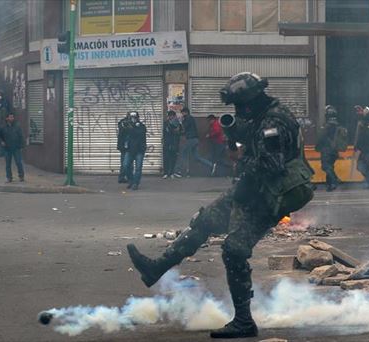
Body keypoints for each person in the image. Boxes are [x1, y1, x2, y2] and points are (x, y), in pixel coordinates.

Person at [127, 72, 314, 339]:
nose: (238, 111)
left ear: (250, 101)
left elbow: (271, 166)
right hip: (250, 191)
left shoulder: (273, 123)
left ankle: (244, 321)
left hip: (270, 197)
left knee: (234, 249)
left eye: (240, 105)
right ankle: (156, 267)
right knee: (204, 221)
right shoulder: (261, 116)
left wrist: (240, 157)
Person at [176, 107, 213, 177]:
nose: (182, 114)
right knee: (196, 157)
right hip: (194, 139)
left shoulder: (188, 118)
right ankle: (211, 165)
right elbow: (184, 130)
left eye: (182, 112)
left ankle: (179, 171)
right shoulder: (189, 119)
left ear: (186, 112)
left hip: (191, 139)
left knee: (183, 153)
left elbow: (185, 127)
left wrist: (180, 122)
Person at [316, 105, 344, 192]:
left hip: (326, 150)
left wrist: (317, 147)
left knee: (325, 166)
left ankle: (335, 180)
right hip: (335, 150)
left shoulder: (327, 126)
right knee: (330, 166)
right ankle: (330, 185)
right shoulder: (338, 125)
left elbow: (321, 137)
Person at [354, 106, 369, 189]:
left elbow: (366, 136)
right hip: (364, 148)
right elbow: (360, 136)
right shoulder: (363, 122)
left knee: (365, 165)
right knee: (360, 166)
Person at [122, 111, 147, 191]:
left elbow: (139, 133)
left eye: (134, 118)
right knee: (126, 166)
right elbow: (122, 132)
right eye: (131, 118)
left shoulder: (141, 126)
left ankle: (135, 183)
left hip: (139, 150)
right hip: (129, 149)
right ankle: (131, 181)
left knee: (138, 168)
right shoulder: (127, 126)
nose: (133, 119)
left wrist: (132, 128)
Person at [0, 113, 25, 182]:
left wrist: (22, 145)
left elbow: (21, 136)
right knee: (8, 164)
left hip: (16, 147)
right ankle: (9, 177)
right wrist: (2, 142)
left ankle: (21, 176)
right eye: (10, 117)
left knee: (18, 162)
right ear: (7, 118)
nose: (12, 118)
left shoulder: (17, 126)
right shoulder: (3, 127)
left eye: (12, 117)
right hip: (7, 148)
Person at [162, 110, 181, 179]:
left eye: (172, 116)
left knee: (173, 158)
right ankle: (166, 173)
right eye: (170, 116)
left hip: (174, 143)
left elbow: (179, 132)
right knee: (166, 158)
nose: (171, 117)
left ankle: (171, 172)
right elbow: (166, 132)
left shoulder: (177, 123)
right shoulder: (166, 123)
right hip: (167, 143)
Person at [116, 112, 131, 183]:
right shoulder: (122, 123)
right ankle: (123, 177)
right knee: (124, 163)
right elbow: (121, 128)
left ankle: (126, 177)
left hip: (130, 146)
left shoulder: (132, 123)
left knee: (127, 163)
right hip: (124, 146)